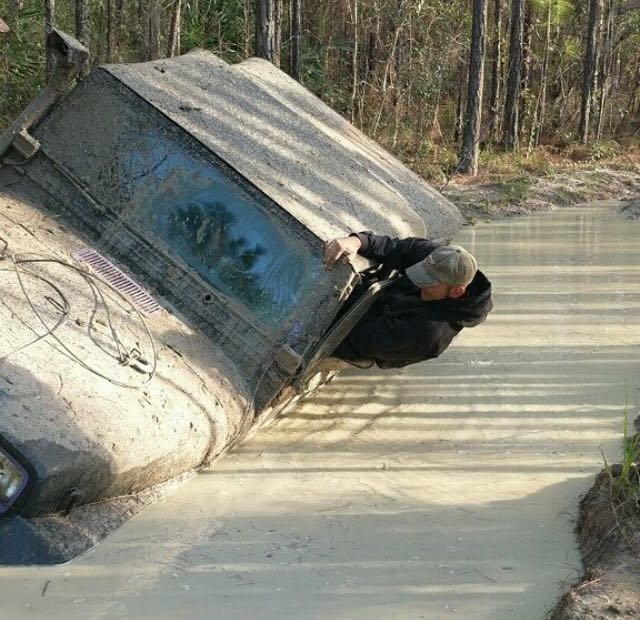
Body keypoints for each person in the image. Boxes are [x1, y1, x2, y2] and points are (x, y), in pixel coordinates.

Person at [323, 231, 493, 368]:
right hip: (389, 299)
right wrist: (357, 241)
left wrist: (362, 287)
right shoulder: (440, 260)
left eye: (429, 283)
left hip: (367, 339)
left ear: (456, 292)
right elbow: (398, 248)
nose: (421, 284)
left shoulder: (428, 333)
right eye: (422, 275)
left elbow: (356, 336)